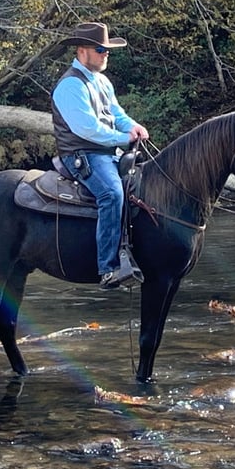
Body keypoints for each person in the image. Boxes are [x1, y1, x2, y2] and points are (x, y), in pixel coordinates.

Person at [51, 22, 149, 290]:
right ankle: (108, 268)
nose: (106, 53)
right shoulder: (70, 86)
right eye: (100, 49)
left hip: (107, 152)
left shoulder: (102, 81)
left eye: (107, 49)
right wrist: (122, 139)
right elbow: (88, 129)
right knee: (112, 194)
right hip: (82, 154)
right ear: (82, 51)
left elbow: (116, 115)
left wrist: (133, 127)